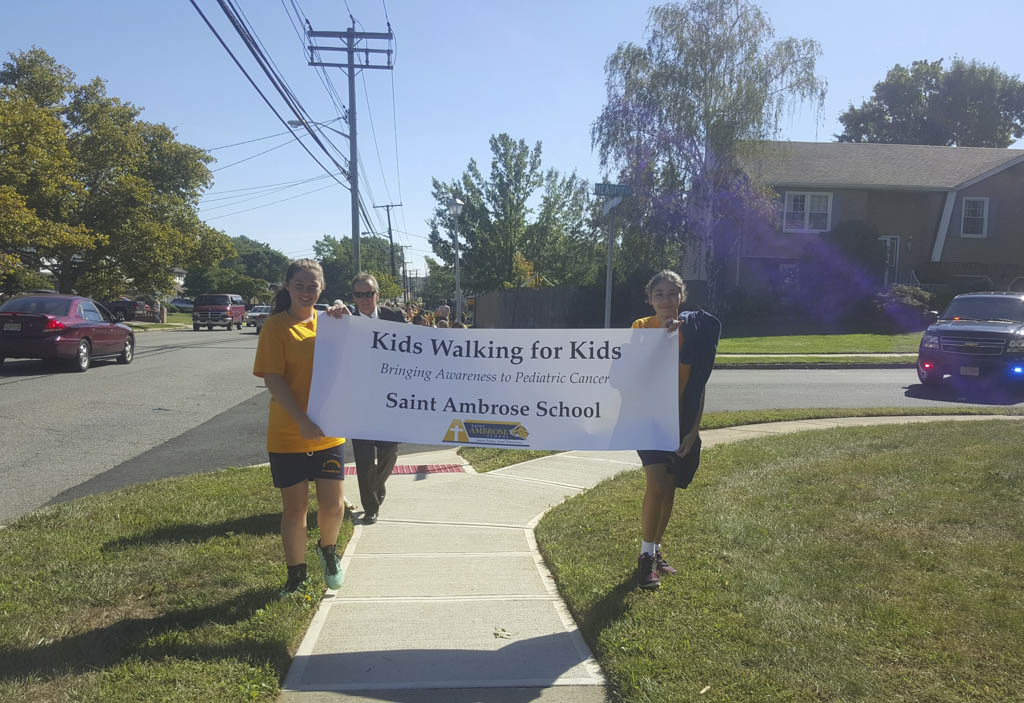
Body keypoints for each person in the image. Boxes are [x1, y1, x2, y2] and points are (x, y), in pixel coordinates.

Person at [253, 259, 350, 596]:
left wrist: (345, 316)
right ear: (288, 287)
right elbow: (273, 379)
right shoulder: (276, 327)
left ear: (322, 288)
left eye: (313, 286)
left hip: (329, 432)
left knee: (333, 505)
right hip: (288, 433)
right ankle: (296, 577)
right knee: (295, 510)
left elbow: (364, 352)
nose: (307, 292)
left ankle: (328, 552)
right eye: (300, 285)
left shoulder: (333, 323)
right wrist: (302, 420)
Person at [631, 270, 719, 590]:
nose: (666, 300)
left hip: (681, 419)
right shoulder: (642, 328)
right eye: (659, 294)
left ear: (682, 296)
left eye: (672, 293)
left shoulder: (695, 331)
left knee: (668, 489)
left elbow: (699, 385)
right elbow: (636, 370)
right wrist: (664, 338)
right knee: (655, 485)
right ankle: (644, 559)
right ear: (649, 299)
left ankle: (655, 552)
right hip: (648, 417)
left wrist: (693, 431)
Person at [349, 272, 407, 524]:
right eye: (359, 294)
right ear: (353, 297)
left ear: (377, 294)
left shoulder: (395, 317)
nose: (364, 299)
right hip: (357, 399)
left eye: (369, 293)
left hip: (389, 399)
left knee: (389, 451)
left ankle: (377, 485)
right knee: (363, 457)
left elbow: (412, 349)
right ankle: (370, 506)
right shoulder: (344, 320)